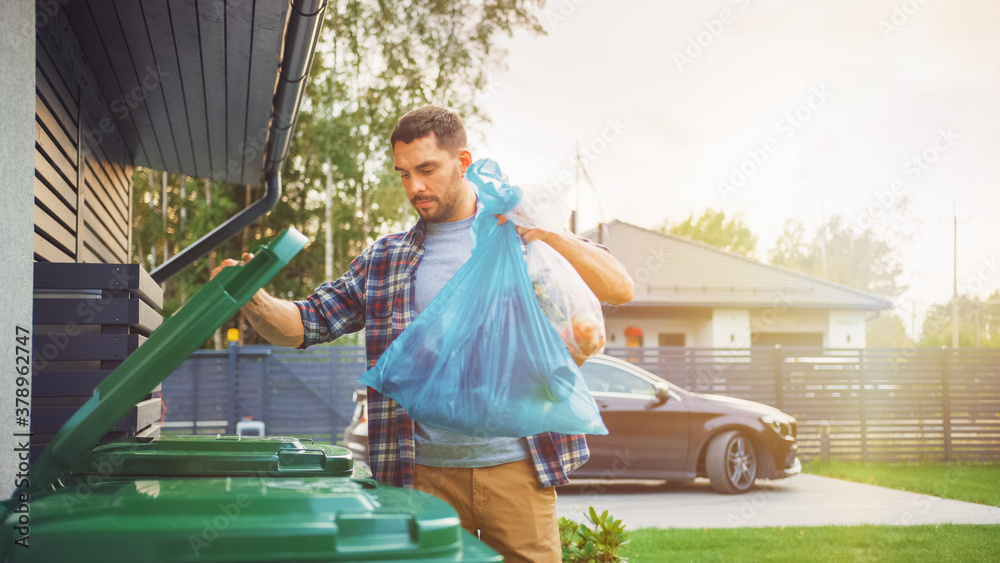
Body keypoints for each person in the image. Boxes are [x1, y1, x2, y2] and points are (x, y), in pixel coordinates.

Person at [213, 105, 634, 562]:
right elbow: (306, 323)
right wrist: (251, 297)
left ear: (464, 162)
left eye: (427, 169)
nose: (415, 186)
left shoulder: (519, 238)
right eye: (404, 174)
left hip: (518, 467)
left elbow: (618, 287)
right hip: (423, 475)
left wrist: (544, 233)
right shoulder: (387, 259)